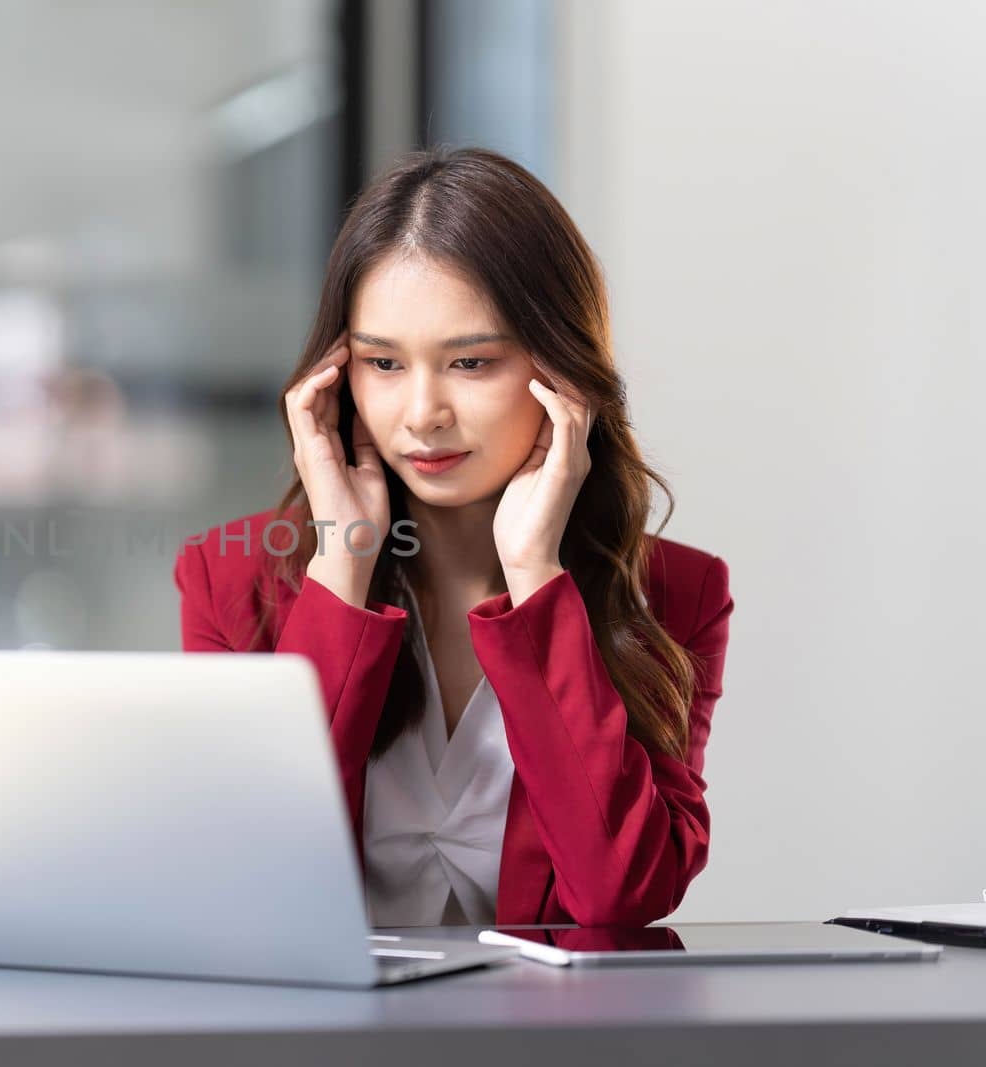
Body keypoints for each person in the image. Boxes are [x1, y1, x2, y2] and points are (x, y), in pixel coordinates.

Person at [172, 147, 735, 928]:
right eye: (383, 362)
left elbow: (621, 893)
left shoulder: (676, 593)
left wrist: (537, 574)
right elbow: (247, 884)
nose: (422, 412)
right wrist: (342, 560)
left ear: (562, 371)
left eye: (471, 361)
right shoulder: (227, 583)